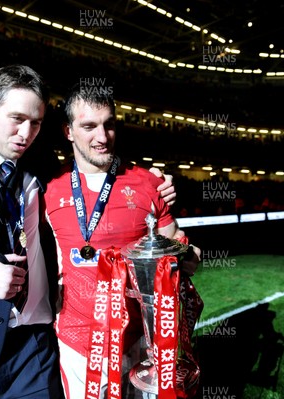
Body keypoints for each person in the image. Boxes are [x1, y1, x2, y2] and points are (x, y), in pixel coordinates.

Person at [0, 65, 177, 399]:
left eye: (36, 122)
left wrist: (153, 180)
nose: (26, 133)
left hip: (32, 351)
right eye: (16, 118)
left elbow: (96, 162)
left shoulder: (40, 164)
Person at [43, 84, 202, 399]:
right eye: (89, 126)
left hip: (141, 343)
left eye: (109, 124)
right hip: (77, 346)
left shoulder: (147, 183)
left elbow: (179, 250)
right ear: (69, 131)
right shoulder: (49, 190)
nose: (102, 137)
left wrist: (188, 256)